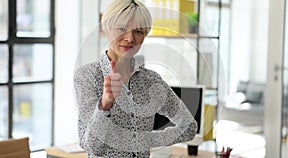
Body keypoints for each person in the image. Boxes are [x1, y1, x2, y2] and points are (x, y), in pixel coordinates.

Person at [74, 0, 197, 157]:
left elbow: (189, 127)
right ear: (107, 29)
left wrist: (146, 140)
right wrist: (105, 104)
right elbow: (92, 147)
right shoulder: (87, 76)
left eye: (138, 31)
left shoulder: (151, 80)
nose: (130, 38)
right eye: (122, 29)